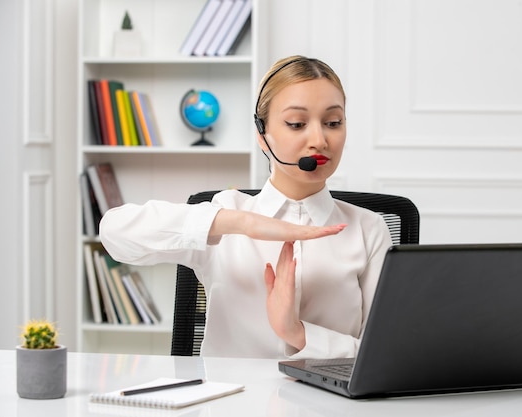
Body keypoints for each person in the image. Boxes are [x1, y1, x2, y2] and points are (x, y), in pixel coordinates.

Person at [100, 55, 393, 359]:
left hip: (331, 406)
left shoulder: (368, 229)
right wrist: (240, 223)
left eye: (333, 123)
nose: (319, 140)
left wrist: (298, 333)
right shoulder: (223, 216)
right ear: (262, 135)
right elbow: (114, 233)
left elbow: (383, 355)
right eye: (297, 124)